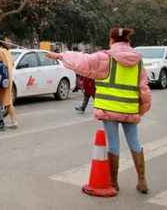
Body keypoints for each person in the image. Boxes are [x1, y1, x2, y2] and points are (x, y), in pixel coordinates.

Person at [47, 28, 151, 194]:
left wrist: (59, 56)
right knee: (134, 142)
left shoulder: (105, 57)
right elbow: (143, 88)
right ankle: (142, 181)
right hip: (130, 108)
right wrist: (142, 108)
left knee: (113, 144)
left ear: (112, 40)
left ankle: (114, 182)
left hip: (109, 108)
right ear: (127, 40)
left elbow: (82, 61)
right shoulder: (138, 61)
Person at [0, 34, 18, 128]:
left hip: (3, 79)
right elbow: (12, 63)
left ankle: (14, 121)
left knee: (7, 101)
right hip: (9, 77)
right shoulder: (7, 51)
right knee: (0, 99)